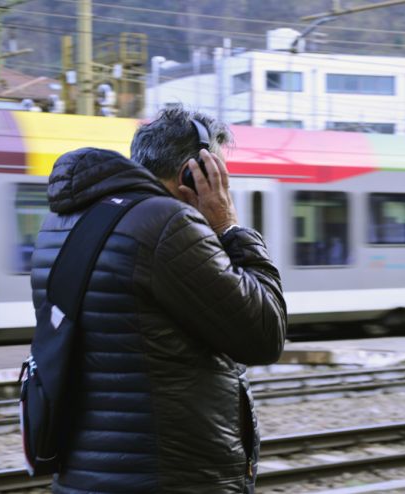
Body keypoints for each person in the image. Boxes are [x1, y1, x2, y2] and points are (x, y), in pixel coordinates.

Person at [30, 106, 287, 493]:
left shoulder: (63, 224)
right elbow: (265, 333)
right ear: (193, 172)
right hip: (168, 477)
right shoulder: (168, 225)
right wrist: (228, 226)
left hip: (85, 476)